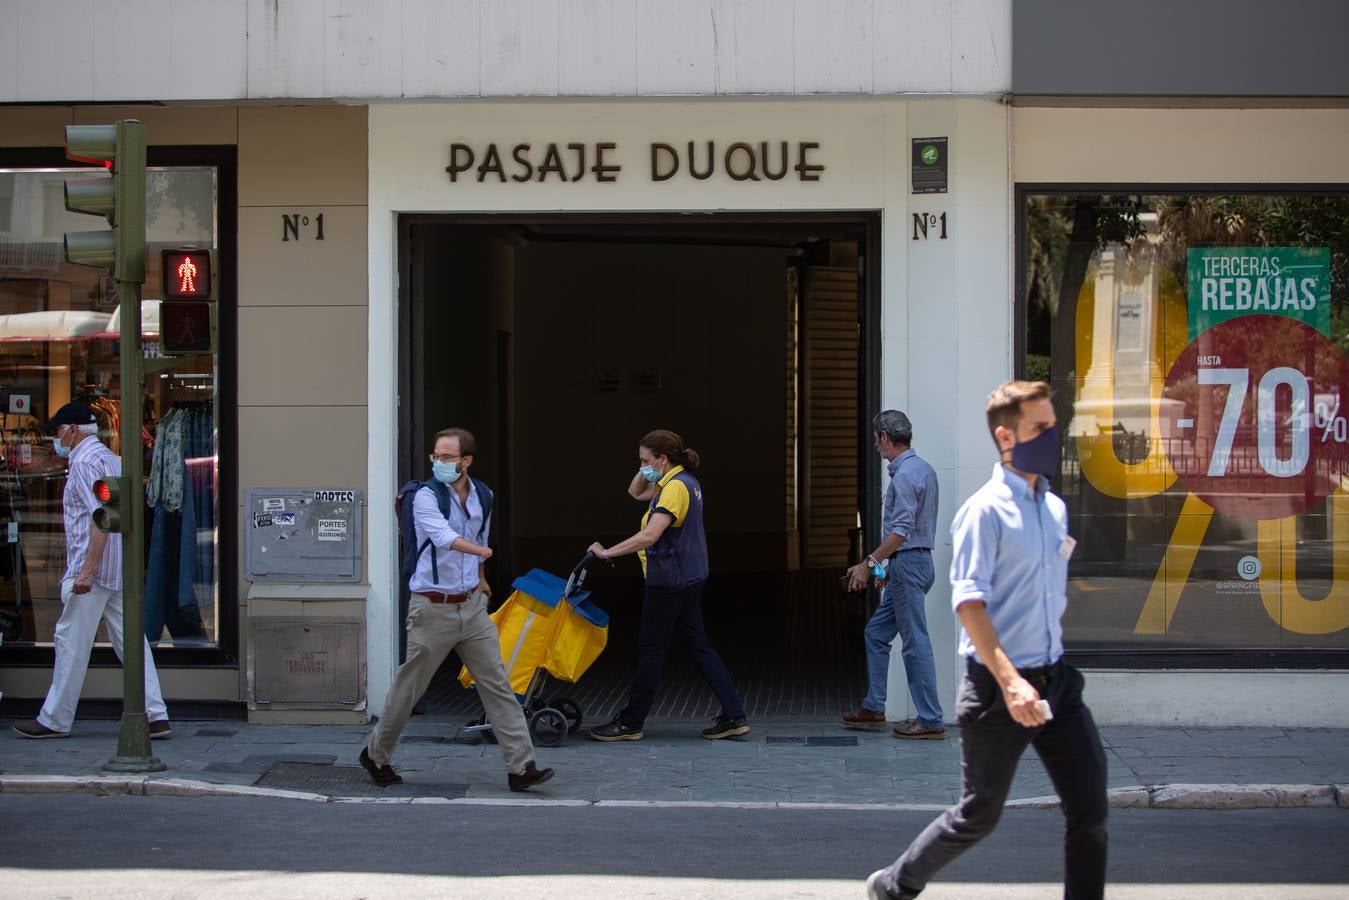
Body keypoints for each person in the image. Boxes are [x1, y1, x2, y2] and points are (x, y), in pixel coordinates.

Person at [866, 381, 1108, 900]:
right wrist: (1012, 682)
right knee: (978, 814)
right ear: (1006, 435)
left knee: (1090, 811)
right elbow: (969, 604)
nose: (1053, 436)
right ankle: (896, 883)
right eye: (1041, 428)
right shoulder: (985, 511)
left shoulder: (1054, 508)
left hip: (1057, 682)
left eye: (1053, 425)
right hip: (999, 687)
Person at [360, 427, 554, 792]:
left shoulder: (484, 495)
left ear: (467, 461)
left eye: (448, 457)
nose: (439, 463)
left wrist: (481, 578)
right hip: (432, 608)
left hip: (471, 605)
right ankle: (376, 754)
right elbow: (443, 537)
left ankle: (521, 767)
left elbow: (481, 535)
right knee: (410, 688)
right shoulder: (424, 497)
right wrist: (480, 554)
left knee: (497, 684)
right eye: (436, 456)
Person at [13, 402, 171, 740]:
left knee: (70, 642)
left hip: (94, 571)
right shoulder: (111, 458)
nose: (56, 437)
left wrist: (87, 571)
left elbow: (103, 517)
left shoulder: (83, 463)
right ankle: (156, 714)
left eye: (58, 430)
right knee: (131, 643)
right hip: (118, 568)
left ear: (72, 429)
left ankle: (54, 719)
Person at [586, 429, 749, 742]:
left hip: (669, 582)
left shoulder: (674, 489)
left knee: (650, 650)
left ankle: (630, 722)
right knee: (697, 644)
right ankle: (734, 714)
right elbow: (635, 492)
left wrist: (607, 552)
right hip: (689, 577)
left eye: (647, 460)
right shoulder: (682, 482)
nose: (643, 467)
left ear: (663, 458)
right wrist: (645, 468)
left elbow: (650, 535)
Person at [842, 410, 944, 739]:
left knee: (915, 643)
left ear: (885, 437)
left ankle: (930, 719)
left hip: (909, 566)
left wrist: (868, 564)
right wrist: (888, 567)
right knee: (876, 633)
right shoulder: (923, 469)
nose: (876, 446)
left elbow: (901, 532)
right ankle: (873, 707)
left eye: (876, 440)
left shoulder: (904, 475)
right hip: (912, 565)